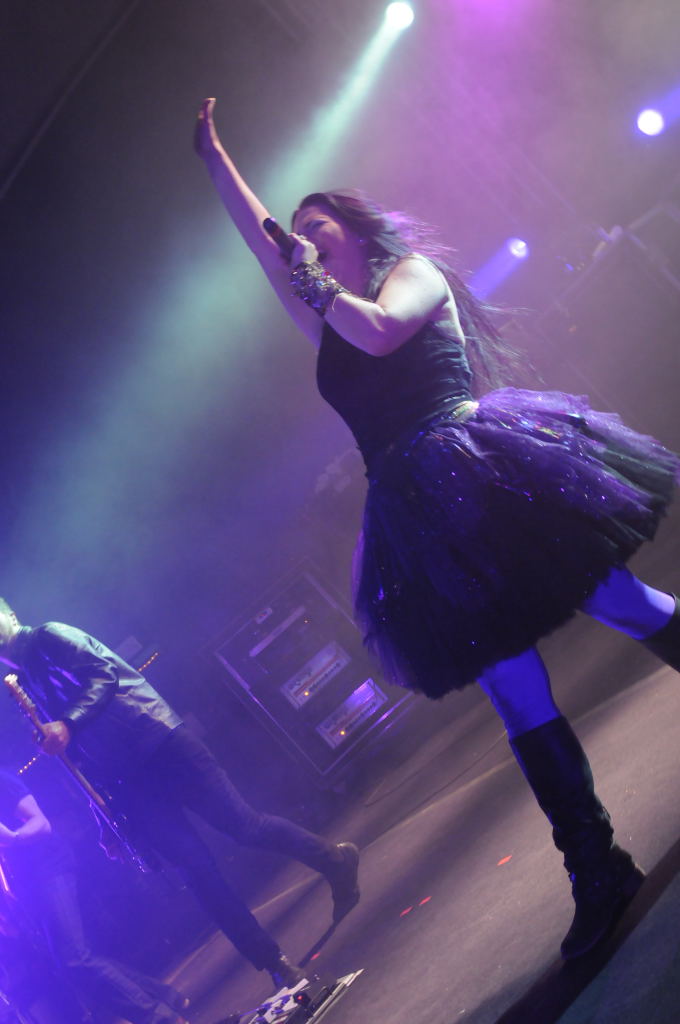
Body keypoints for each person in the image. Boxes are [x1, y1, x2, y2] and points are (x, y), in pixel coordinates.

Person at [193, 96, 680, 961]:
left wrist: (313, 276)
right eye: (297, 228)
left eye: (316, 223)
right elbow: (271, 256)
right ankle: (596, 866)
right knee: (513, 691)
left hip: (486, 474)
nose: (302, 236)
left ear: (353, 231)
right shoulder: (319, 309)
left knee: (622, 602)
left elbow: (382, 335)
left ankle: (597, 863)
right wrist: (215, 162)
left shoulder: (410, 274)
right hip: (419, 519)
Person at [0, 605, 360, 991]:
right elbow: (75, 759)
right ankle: (275, 964)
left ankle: (335, 860)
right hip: (128, 782)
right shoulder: (23, 684)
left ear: (8, 615)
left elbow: (104, 673)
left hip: (159, 741)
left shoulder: (50, 635)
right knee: (198, 873)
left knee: (244, 826)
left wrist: (68, 723)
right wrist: (104, 818)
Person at [0, 768, 191, 1024]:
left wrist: (13, 838)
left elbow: (41, 823)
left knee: (74, 957)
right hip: (28, 887)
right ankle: (165, 996)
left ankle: (160, 1017)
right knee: (73, 960)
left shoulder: (2, 780)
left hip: (50, 868)